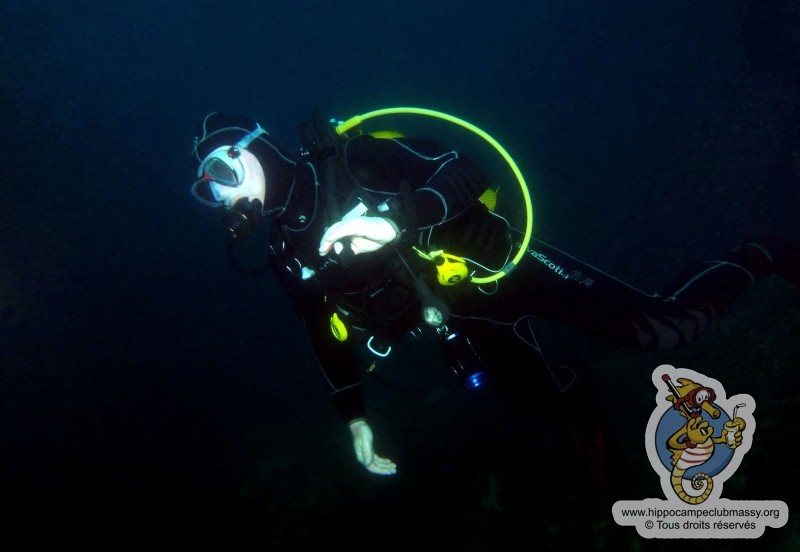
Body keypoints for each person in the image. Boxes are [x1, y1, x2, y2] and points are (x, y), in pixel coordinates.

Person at [189, 108, 799, 478]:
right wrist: (354, 419)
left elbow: (466, 170)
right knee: (541, 400)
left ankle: (765, 254)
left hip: (507, 265)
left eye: (222, 171)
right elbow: (322, 333)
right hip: (466, 320)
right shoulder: (285, 253)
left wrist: (399, 218)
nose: (220, 194)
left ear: (255, 149)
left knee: (665, 330)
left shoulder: (355, 160)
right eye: (206, 189)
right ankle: (595, 436)